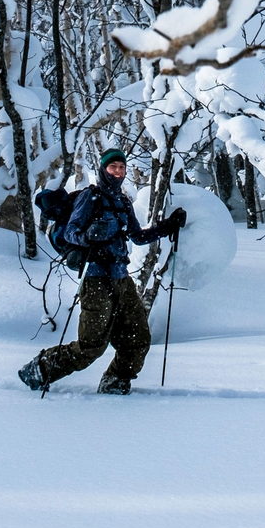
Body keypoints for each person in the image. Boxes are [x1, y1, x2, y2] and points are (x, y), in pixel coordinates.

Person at [18, 148, 186, 395]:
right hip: (95, 279)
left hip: (121, 279)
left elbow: (137, 236)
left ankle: (115, 383)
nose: (118, 172)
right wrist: (87, 235)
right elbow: (70, 232)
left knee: (137, 339)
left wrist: (166, 227)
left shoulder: (122, 201)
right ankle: (40, 369)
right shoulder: (90, 197)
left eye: (121, 167)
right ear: (103, 170)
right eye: (112, 167)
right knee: (91, 346)